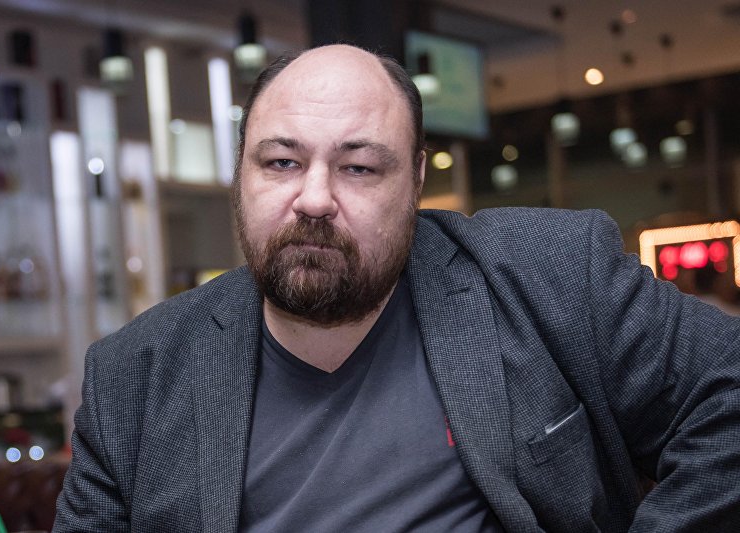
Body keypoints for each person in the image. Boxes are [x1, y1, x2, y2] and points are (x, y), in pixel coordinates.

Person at [53, 44, 740, 532]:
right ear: (241, 175)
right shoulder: (134, 377)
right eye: (282, 162)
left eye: (358, 167)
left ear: (414, 181)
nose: (313, 198)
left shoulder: (548, 275)